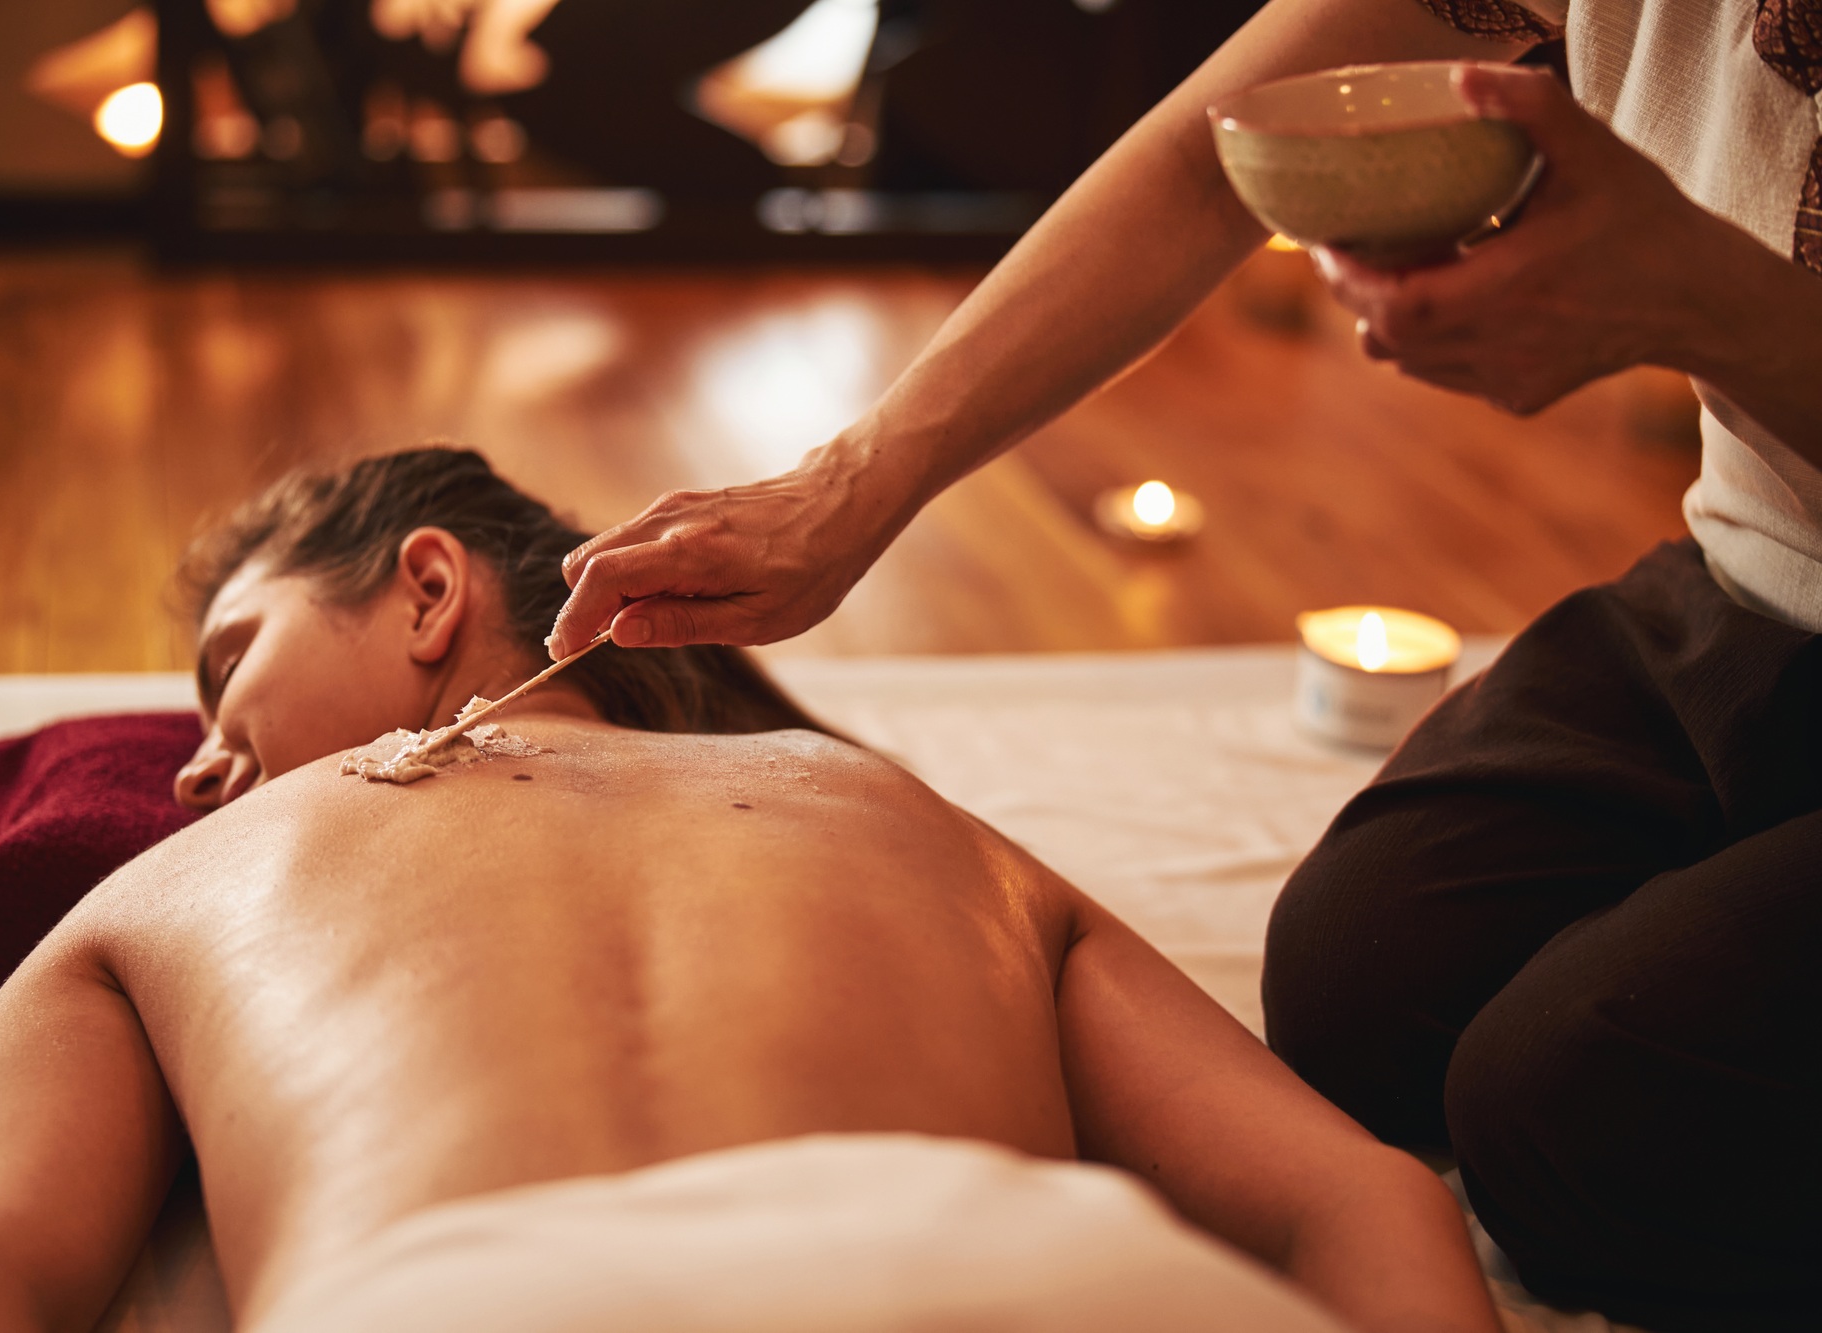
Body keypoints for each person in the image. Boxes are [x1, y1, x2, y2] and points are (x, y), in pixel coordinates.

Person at [538, 1, 1822, 1329]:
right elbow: (1208, 156)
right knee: (1358, 988)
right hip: (1753, 576)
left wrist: (1715, 304)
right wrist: (851, 486)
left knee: (1574, 1120)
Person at [0, 448, 1499, 1333]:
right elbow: (1367, 1202)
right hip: (1043, 1282)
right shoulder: (904, 817)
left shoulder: (183, 885)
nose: (197, 762)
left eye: (228, 678)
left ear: (430, 587)